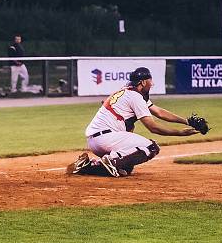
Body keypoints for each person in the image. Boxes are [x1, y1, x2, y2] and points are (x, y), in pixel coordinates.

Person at [67, 66, 199, 177]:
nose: (151, 84)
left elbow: (159, 112)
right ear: (142, 82)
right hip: (107, 139)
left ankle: (88, 166)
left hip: (96, 141)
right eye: (149, 81)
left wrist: (186, 121)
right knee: (151, 147)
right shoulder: (135, 97)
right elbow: (153, 128)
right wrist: (180, 133)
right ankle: (110, 161)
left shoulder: (128, 91)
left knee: (127, 167)